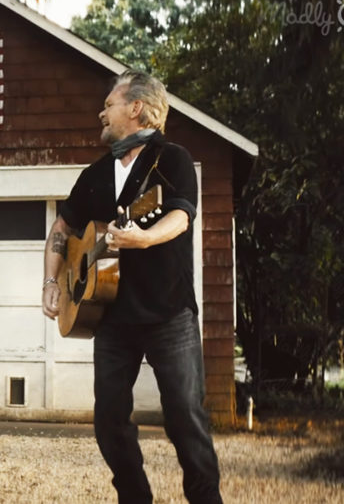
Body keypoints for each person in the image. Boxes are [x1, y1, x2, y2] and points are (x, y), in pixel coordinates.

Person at [41, 70, 223, 504]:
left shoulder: (172, 159)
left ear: (135, 108)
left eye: (109, 104)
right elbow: (63, 229)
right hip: (110, 318)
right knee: (109, 423)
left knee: (186, 421)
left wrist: (143, 237)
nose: (101, 112)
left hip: (168, 313)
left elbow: (181, 216)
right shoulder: (96, 173)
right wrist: (52, 279)